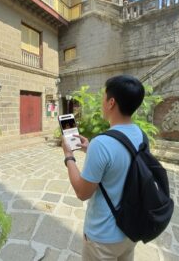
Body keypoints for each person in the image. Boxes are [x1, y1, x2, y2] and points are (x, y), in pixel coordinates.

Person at [62, 75, 145, 261]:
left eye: (104, 96)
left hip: (103, 237)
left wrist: (69, 156)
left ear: (111, 102)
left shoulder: (103, 143)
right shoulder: (140, 134)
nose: (102, 101)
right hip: (130, 229)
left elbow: (83, 193)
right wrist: (89, 148)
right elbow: (121, 161)